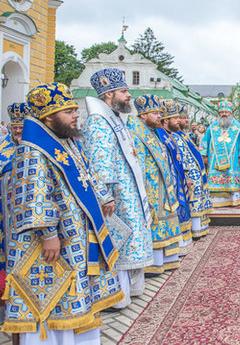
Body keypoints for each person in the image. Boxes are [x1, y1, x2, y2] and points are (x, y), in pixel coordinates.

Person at [2, 82, 123, 342]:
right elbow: (32, 195)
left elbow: (86, 173)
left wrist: (102, 196)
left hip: (75, 235)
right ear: (49, 117)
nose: (76, 114)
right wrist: (47, 234)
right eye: (69, 111)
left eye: (74, 109)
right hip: (54, 240)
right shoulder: (32, 150)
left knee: (78, 294)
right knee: (56, 296)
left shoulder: (66, 142)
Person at [82, 68, 152, 309]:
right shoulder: (98, 122)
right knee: (120, 242)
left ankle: (129, 289)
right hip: (116, 197)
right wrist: (104, 196)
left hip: (127, 191)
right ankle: (116, 295)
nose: (129, 95)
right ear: (109, 94)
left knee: (130, 240)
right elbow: (99, 163)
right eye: (124, 91)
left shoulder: (114, 118)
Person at [126, 95, 183, 274]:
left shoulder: (149, 131)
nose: (160, 116)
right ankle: (154, 264)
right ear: (143, 115)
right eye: (156, 113)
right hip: (151, 188)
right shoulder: (135, 133)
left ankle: (165, 260)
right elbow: (138, 163)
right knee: (155, 222)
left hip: (162, 185)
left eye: (160, 113)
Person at [0, 102, 29, 272]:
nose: (17, 131)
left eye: (21, 127)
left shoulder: (37, 148)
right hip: (3, 206)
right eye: (14, 128)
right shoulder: (2, 150)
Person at [155, 99, 193, 254]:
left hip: (177, 178)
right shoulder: (161, 136)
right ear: (166, 120)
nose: (179, 120)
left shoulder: (170, 135)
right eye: (176, 117)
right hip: (168, 181)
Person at [199, 101, 240, 208]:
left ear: (230, 113)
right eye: (222, 112)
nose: (224, 114)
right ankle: (216, 200)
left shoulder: (237, 127)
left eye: (226, 112)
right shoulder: (212, 127)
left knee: (230, 178)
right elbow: (206, 141)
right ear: (219, 114)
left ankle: (232, 200)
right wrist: (204, 155)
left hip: (233, 159)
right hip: (214, 160)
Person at [174, 103, 213, 238]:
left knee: (198, 201)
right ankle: (195, 230)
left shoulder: (182, 134)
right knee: (193, 202)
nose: (186, 120)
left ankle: (200, 228)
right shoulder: (173, 136)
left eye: (187, 117)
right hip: (188, 175)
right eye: (182, 117)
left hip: (196, 175)